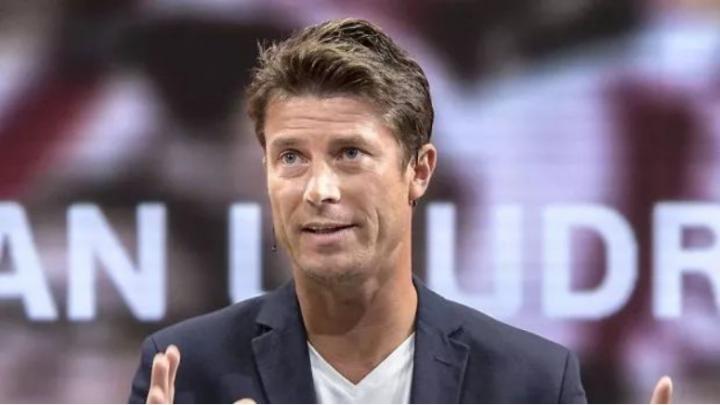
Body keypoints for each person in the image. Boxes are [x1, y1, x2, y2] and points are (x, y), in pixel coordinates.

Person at [128, 18, 673, 404]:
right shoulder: (185, 372)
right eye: (290, 157)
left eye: (350, 154)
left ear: (419, 170)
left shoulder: (530, 382)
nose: (319, 189)